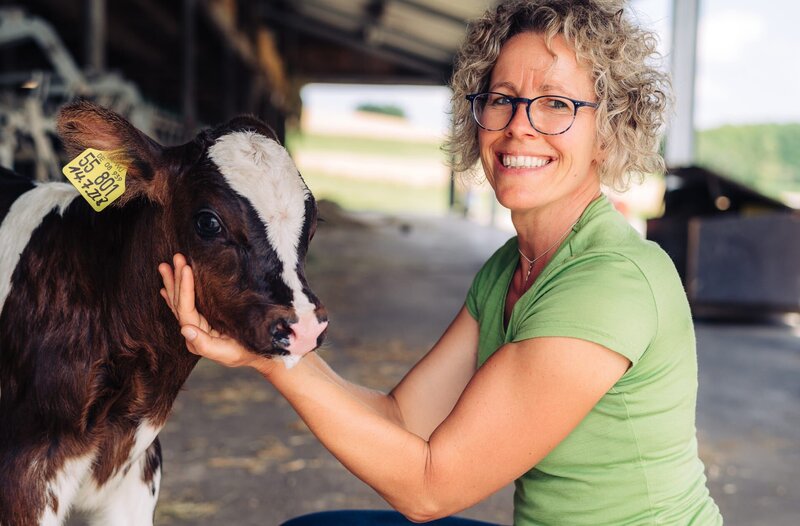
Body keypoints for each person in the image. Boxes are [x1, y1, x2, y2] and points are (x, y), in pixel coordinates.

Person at [158, 1, 723, 524]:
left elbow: (431, 488)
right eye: (501, 98)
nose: (518, 124)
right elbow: (403, 418)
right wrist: (265, 344)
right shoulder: (512, 265)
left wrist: (272, 357)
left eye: (556, 103)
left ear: (610, 129)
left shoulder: (609, 282)